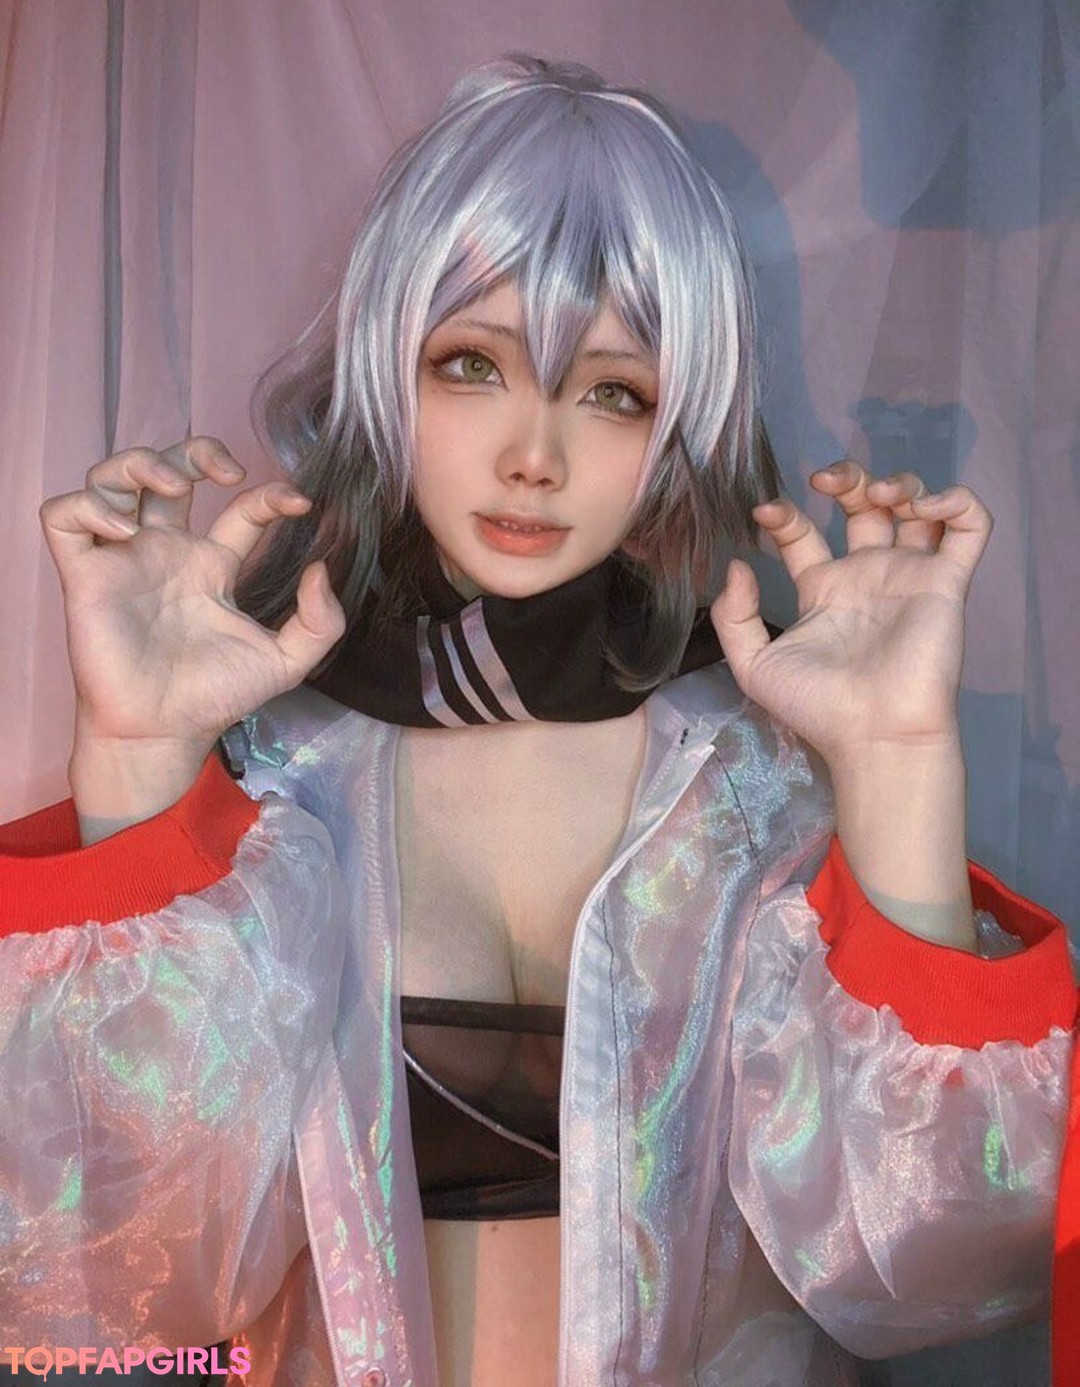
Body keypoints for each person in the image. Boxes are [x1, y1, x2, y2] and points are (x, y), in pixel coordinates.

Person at [1, 55, 1074, 1387]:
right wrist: (135, 757)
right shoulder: (274, 776)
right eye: (472, 365)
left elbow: (944, 1263)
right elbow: (117, 1270)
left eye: (613, 391)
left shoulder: (756, 779)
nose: (535, 456)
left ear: (681, 426)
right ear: (386, 370)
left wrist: (901, 761)